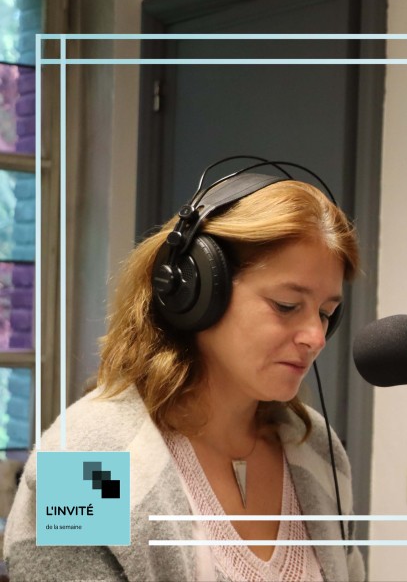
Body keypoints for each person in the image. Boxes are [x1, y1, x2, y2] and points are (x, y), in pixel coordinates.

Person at [3, 173, 365, 581]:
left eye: (326, 313)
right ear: (196, 291)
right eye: (286, 305)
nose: (316, 337)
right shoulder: (84, 461)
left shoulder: (316, 447)